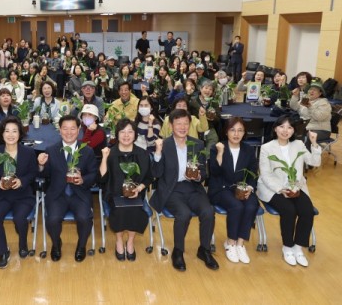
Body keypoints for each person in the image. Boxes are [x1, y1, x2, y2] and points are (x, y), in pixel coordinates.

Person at [150, 109, 219, 271]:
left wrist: (197, 177)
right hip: (172, 189)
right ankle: (178, 251)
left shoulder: (197, 144)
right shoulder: (165, 144)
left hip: (193, 188)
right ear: (171, 125)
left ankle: (204, 250)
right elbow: (156, 173)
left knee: (208, 212)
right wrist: (158, 153)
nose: (182, 127)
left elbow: (203, 173)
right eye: (178, 123)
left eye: (185, 123)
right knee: (184, 214)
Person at [257, 115, 321, 267]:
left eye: (290, 127)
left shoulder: (298, 144)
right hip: (273, 188)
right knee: (289, 210)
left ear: (293, 131)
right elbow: (265, 175)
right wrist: (281, 189)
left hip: (296, 187)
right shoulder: (267, 148)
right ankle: (287, 246)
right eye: (282, 127)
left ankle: (298, 247)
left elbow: (314, 162)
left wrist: (314, 143)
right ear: (275, 128)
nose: (285, 131)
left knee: (307, 211)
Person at [37, 115, 99, 262]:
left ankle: (81, 245)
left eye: (73, 128)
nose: (69, 132)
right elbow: (45, 175)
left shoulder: (87, 151)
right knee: (52, 219)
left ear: (79, 131)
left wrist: (83, 179)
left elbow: (94, 175)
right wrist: (40, 165)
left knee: (85, 218)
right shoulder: (51, 150)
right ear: (59, 131)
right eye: (65, 128)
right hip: (57, 194)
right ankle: (56, 243)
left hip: (80, 194)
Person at [99, 119, 153, 261]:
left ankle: (130, 241)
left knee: (136, 209)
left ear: (135, 135)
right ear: (117, 134)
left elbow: (148, 178)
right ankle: (118, 240)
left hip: (135, 194)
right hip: (114, 194)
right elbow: (102, 179)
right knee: (119, 209)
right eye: (122, 132)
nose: (126, 135)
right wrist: (104, 158)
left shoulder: (142, 154)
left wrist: (139, 187)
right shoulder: (110, 153)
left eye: (130, 132)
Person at [0, 117, 38, 268]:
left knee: (20, 218)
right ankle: (3, 251)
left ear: (20, 134)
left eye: (14, 131)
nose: (11, 134)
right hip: (3, 195)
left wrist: (22, 181)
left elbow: (33, 172)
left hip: (23, 195)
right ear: (2, 134)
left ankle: (23, 244)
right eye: (7, 131)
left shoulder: (28, 152)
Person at [208, 118, 259, 264]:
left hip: (241, 187)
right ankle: (230, 242)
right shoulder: (217, 147)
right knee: (236, 206)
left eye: (240, 130)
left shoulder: (248, 150)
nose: (236, 134)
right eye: (232, 130)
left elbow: (253, 173)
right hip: (221, 188)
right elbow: (215, 172)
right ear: (226, 131)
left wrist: (249, 187)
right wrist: (220, 153)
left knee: (251, 205)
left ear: (244, 133)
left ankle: (240, 244)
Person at [290, 80, 332, 145]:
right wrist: (295, 96)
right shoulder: (306, 99)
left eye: (315, 90)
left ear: (320, 93)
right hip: (305, 127)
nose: (311, 91)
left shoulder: (324, 103)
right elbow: (294, 107)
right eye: (310, 89)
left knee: (307, 136)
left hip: (321, 130)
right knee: (288, 130)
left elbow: (319, 117)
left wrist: (310, 107)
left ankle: (306, 154)